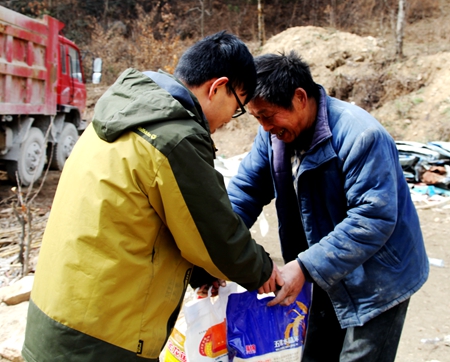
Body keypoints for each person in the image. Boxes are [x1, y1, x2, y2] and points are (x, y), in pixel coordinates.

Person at [22, 31, 282, 362]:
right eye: (239, 105)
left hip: (54, 315)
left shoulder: (123, 115)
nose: (232, 118)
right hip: (102, 337)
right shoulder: (174, 138)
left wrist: (203, 273)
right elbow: (215, 233)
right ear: (217, 88)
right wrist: (264, 272)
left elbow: (154, 220)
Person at [227, 51, 429, 362]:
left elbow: (372, 218)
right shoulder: (273, 135)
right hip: (326, 268)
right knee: (316, 354)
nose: (265, 126)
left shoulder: (361, 135)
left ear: (299, 98)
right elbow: (246, 190)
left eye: (267, 115)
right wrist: (218, 248)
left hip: (378, 278)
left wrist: (305, 266)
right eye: (257, 117)